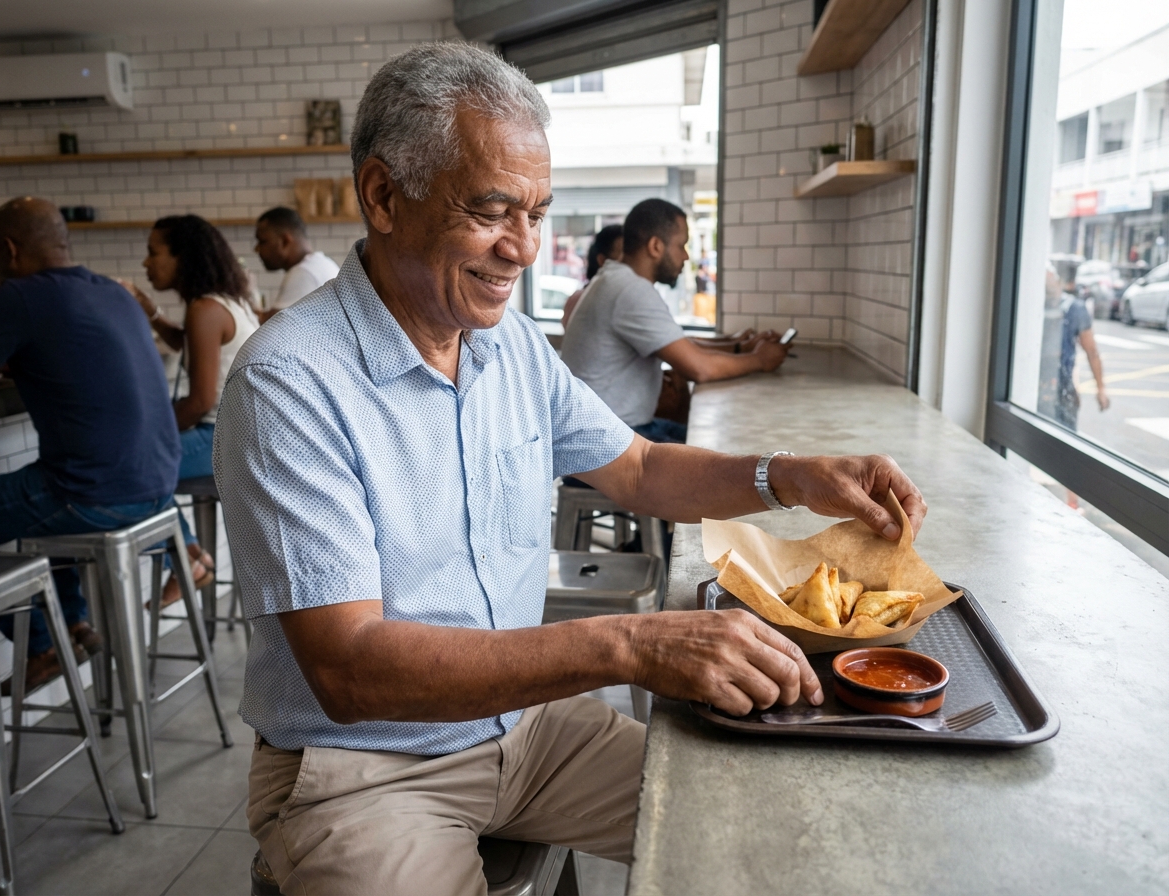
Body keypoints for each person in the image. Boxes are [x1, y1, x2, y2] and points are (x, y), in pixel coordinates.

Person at [214, 43, 928, 896]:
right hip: (366, 767)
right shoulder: (288, 380)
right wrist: (627, 644)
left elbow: (639, 467)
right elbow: (351, 667)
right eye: (491, 211)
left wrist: (789, 476)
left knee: (767, 818)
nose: (522, 249)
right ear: (383, 195)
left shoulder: (507, 343)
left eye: (538, 213)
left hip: (528, 731)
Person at [0, 197, 180, 690]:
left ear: (8, 248)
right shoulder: (113, 291)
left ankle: (43, 647)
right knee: (40, 498)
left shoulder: (18, 298)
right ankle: (73, 624)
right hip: (157, 489)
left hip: (97, 495)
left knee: (42, 494)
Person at [560, 198, 787, 444]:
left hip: (610, 430)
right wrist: (760, 360)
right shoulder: (630, 290)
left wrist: (740, 348)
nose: (686, 256)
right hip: (603, 443)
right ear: (656, 246)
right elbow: (699, 368)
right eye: (682, 245)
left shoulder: (615, 280)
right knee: (723, 451)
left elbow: (679, 345)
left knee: (713, 444)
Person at [123, 214, 259, 603]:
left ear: (184, 258)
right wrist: (151, 312)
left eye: (154, 253)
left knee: (131, 471)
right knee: (137, 465)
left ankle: (187, 558)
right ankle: (190, 555)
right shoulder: (226, 302)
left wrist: (155, 434)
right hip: (238, 433)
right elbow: (190, 344)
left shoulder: (205, 309)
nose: (147, 263)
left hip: (220, 436)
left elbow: (200, 402)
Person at [252, 207, 341, 323]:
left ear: (285, 241)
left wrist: (247, 293)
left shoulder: (303, 273)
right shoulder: (321, 263)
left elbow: (269, 330)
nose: (256, 249)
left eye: (262, 241)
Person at [1054, 261, 1110, 432]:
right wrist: (1100, 389)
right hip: (1061, 384)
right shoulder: (1075, 307)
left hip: (1041, 380)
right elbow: (1092, 352)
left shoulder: (1041, 303)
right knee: (1065, 436)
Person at [560, 223, 623, 328]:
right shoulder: (583, 300)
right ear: (602, 260)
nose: (630, 264)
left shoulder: (578, 297)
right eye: (623, 257)